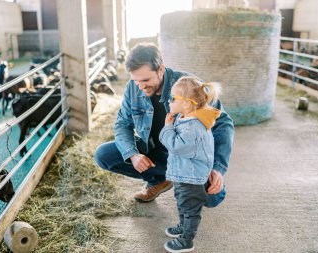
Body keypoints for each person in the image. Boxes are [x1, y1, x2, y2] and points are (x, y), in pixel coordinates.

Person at [94, 42, 234, 205]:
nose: (140, 87)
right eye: (136, 80)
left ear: (160, 69)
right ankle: (159, 179)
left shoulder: (188, 86)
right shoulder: (133, 88)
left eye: (145, 80)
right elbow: (122, 124)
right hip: (155, 152)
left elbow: (223, 124)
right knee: (103, 155)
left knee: (211, 198)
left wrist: (217, 167)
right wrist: (133, 155)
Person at [159, 76, 221, 252]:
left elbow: (177, 146)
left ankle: (187, 239)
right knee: (182, 202)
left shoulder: (192, 127)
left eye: (172, 98)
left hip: (191, 177)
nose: (169, 101)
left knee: (190, 207)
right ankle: (183, 225)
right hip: (184, 173)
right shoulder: (186, 118)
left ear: (186, 104)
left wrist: (167, 127)